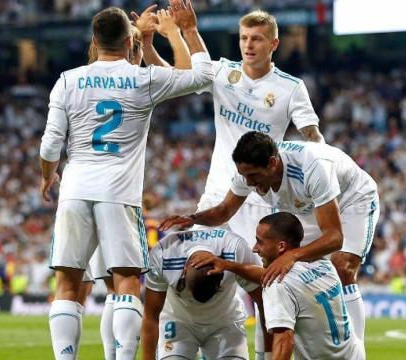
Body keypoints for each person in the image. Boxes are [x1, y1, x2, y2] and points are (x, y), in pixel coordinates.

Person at [139, 6, 325, 357]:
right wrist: (151, 44)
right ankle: (180, 346)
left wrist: (322, 160)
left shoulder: (289, 88)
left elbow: (311, 135)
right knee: (198, 276)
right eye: (243, 38)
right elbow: (178, 76)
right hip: (217, 197)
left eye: (256, 39)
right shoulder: (224, 73)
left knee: (268, 289)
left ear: (274, 44)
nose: (248, 45)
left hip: (264, 199)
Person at [38, 3, 213, 359]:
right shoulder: (141, 79)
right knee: (126, 282)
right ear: (127, 39)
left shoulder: (68, 80)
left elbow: (50, 143)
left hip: (74, 190)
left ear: (94, 39)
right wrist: (174, 33)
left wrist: (48, 176)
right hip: (119, 193)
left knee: (67, 284)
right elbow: (196, 76)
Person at [160, 131, 380, 341]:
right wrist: (193, 218)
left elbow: (334, 237)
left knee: (342, 266)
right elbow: (224, 211)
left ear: (273, 163)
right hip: (311, 207)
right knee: (281, 268)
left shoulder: (311, 168)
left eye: (253, 176)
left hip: (352, 199)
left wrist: (292, 256)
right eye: (244, 176)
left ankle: (354, 349)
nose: (248, 183)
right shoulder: (249, 171)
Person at [191, 212, 365, 359]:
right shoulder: (323, 265)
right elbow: (269, 276)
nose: (254, 248)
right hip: (354, 354)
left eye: (260, 242)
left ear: (281, 246)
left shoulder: (278, 286)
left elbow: (284, 342)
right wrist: (229, 265)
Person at [141, 228, 271, 360]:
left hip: (224, 320)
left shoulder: (236, 249)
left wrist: (268, 355)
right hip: (178, 320)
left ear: (221, 276)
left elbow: (264, 302)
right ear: (184, 270)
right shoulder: (162, 254)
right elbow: (151, 315)